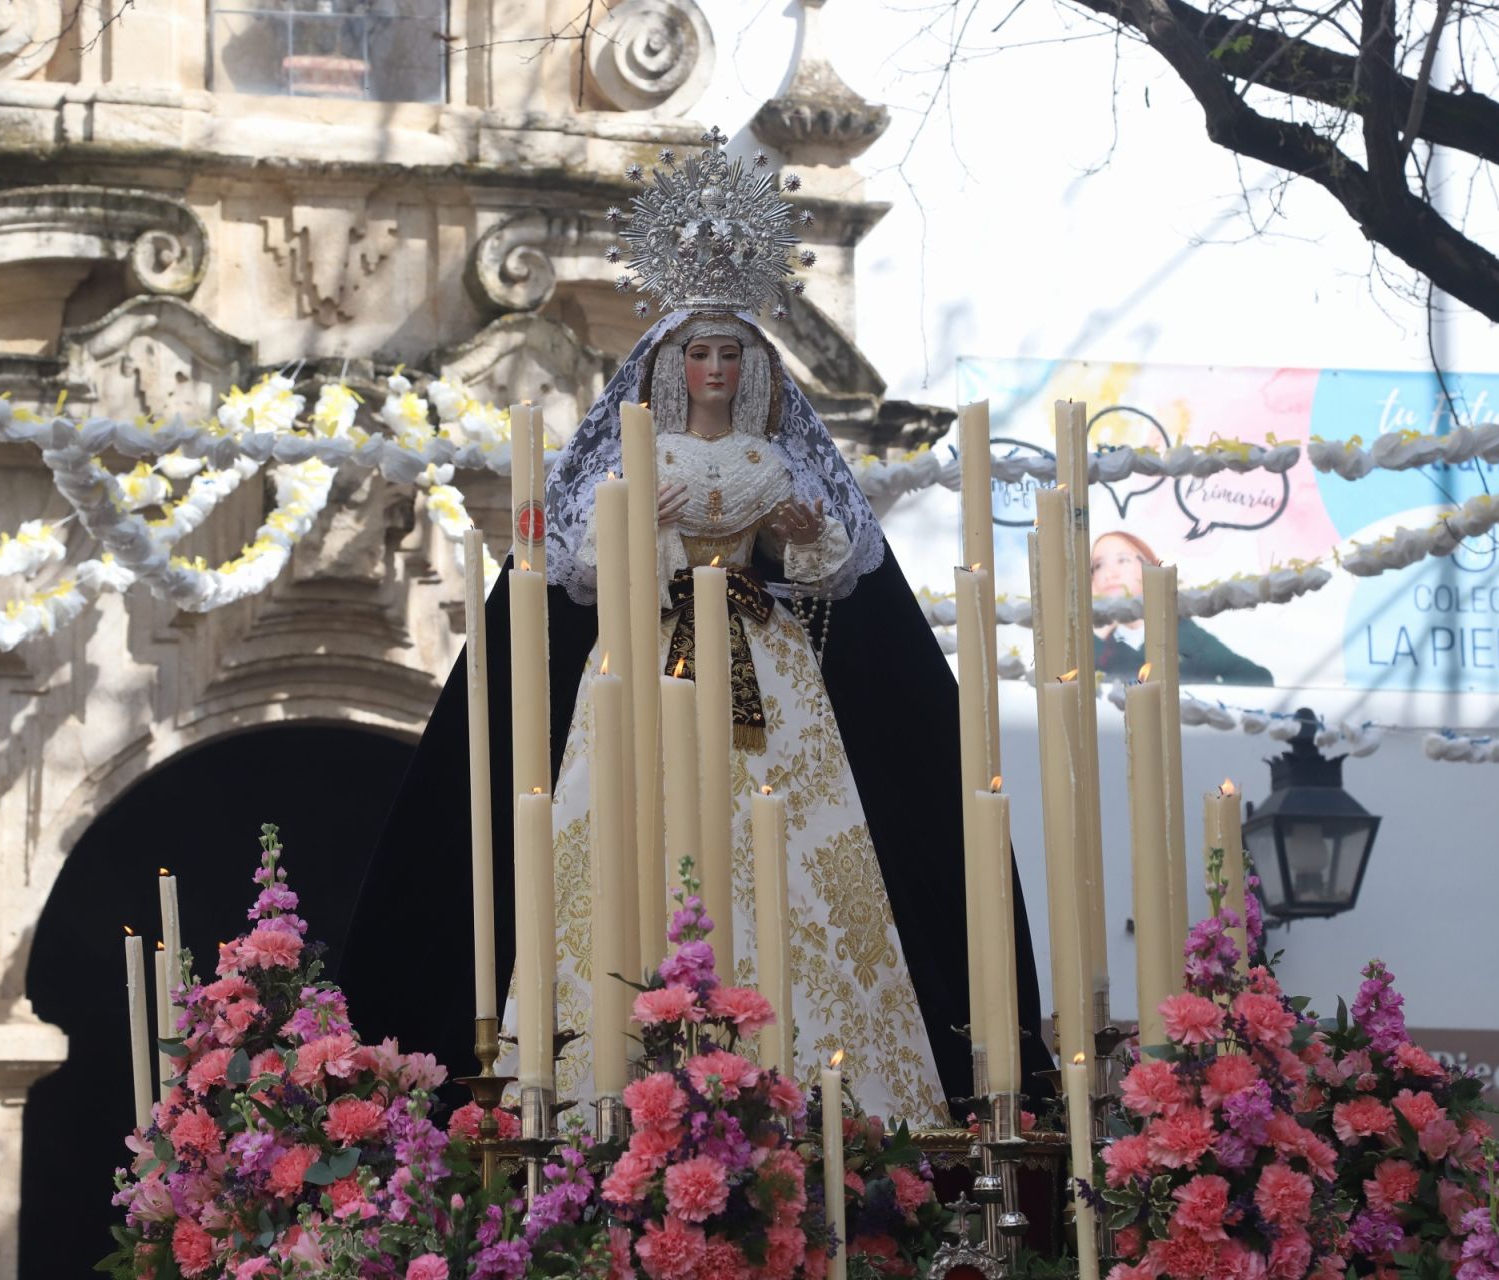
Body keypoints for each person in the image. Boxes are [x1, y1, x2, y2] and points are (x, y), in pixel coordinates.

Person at [340, 132, 1051, 1121]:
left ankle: (838, 1084)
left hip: (773, 681)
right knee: (623, 831)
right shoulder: (638, 460)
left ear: (752, 369)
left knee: (805, 855)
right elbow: (581, 567)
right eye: (700, 353)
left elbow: (830, 567)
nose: (715, 368)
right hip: (646, 668)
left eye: (730, 354)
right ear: (673, 364)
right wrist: (649, 531)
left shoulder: (777, 464)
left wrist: (798, 537)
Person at [1090, 530, 1273, 685]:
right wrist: (1099, 631)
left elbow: (1258, 678)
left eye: (1122, 560)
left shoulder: (1180, 631)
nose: (1109, 573)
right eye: (1098, 566)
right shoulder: (1095, 644)